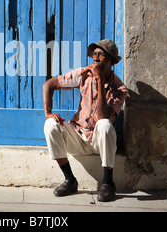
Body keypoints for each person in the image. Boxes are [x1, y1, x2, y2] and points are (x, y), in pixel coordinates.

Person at [43, 39, 128, 202]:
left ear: (110, 61)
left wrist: (99, 80)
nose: (95, 58)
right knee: (50, 125)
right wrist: (48, 113)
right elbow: (49, 84)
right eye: (94, 54)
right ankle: (70, 180)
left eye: (101, 55)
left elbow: (102, 116)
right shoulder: (83, 75)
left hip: (99, 141)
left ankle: (108, 183)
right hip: (78, 135)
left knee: (104, 124)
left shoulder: (119, 89)